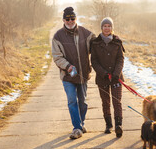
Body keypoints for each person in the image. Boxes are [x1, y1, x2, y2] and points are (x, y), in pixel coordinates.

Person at [52, 7, 96, 139]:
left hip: (83, 74)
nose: (70, 21)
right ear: (63, 20)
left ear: (75, 19)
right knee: (72, 101)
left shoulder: (85, 33)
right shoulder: (57, 36)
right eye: (67, 19)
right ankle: (76, 128)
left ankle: (81, 123)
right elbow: (57, 56)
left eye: (72, 18)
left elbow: (97, 45)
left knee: (83, 102)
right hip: (68, 76)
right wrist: (67, 66)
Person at [91, 17, 125, 138]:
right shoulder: (95, 43)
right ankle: (108, 124)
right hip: (102, 78)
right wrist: (103, 73)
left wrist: (116, 73)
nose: (107, 28)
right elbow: (94, 61)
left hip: (116, 77)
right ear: (101, 28)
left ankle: (118, 126)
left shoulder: (117, 42)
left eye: (109, 26)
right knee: (105, 102)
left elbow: (120, 59)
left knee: (117, 101)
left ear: (112, 28)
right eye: (105, 26)